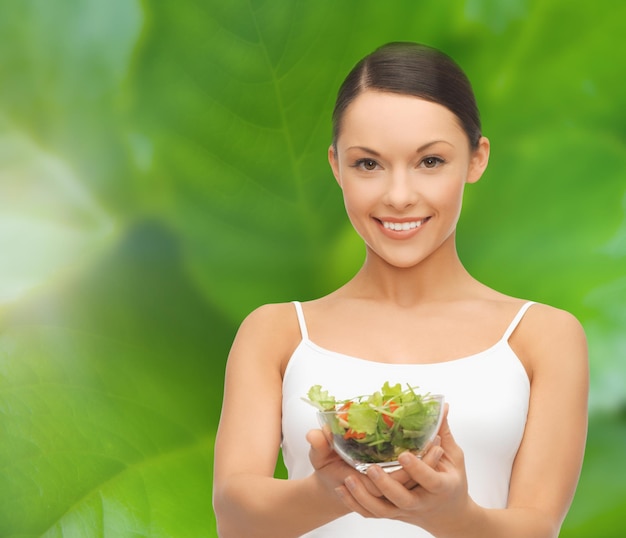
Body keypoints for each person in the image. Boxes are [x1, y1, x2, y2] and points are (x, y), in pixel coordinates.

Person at [212, 42, 588, 537]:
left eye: (430, 162)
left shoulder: (543, 336)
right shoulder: (276, 331)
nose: (399, 196)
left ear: (476, 160)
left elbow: (537, 527)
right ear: (336, 166)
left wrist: (455, 517)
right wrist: (327, 491)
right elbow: (234, 518)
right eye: (368, 164)